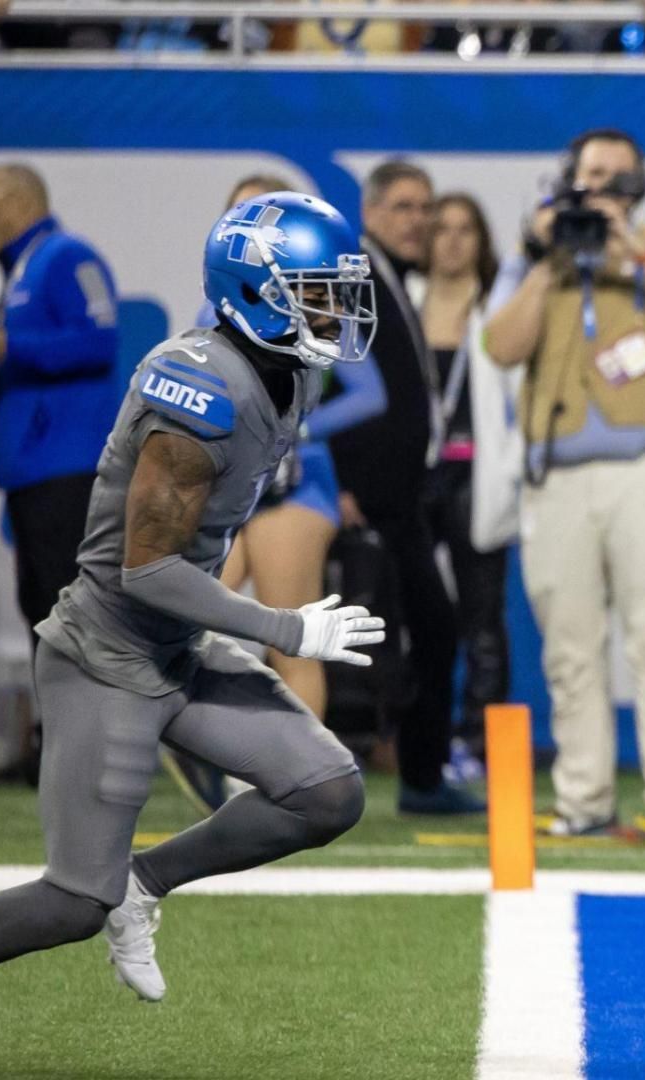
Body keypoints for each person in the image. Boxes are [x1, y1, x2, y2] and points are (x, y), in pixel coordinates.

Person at [0, 192, 388, 1078]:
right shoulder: (201, 387)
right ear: (257, 290)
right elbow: (146, 570)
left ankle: (146, 884)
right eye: (314, 290)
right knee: (72, 898)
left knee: (328, 794)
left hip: (175, 647)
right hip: (106, 653)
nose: (334, 310)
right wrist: (285, 626)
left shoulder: (284, 369)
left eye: (336, 290)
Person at [484, 128, 645, 844]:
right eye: (593, 176)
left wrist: (636, 253)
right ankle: (585, 800)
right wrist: (540, 260)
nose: (605, 190)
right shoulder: (534, 257)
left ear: (639, 188)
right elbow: (501, 346)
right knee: (570, 645)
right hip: (556, 473)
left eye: (620, 180)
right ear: (568, 180)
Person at [162, 173, 388, 816]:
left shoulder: (317, 296)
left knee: (294, 630)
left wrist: (296, 428)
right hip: (239, 478)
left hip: (297, 480)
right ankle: (236, 758)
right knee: (196, 623)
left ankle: (297, 777)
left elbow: (370, 391)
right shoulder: (215, 309)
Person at [328, 160, 481, 815]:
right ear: (370, 212)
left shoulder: (389, 279)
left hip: (399, 495)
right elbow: (329, 379)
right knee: (406, 634)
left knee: (427, 630)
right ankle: (413, 774)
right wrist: (337, 478)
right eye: (404, 207)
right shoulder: (357, 274)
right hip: (370, 494)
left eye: (426, 207)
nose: (418, 220)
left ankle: (420, 772)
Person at [0, 163, 120, 686]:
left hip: (64, 472)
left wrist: (4, 346)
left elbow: (101, 337)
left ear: (22, 203)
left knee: (66, 605)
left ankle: (83, 740)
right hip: (33, 474)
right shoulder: (24, 270)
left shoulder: (69, 255)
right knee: (42, 605)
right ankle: (54, 738)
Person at [415, 193, 513, 759]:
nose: (452, 240)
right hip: (416, 477)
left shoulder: (501, 307)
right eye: (441, 228)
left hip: (480, 474)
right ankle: (412, 737)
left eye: (465, 229)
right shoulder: (404, 303)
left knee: (482, 616)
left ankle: (482, 742)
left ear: (482, 240)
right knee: (410, 611)